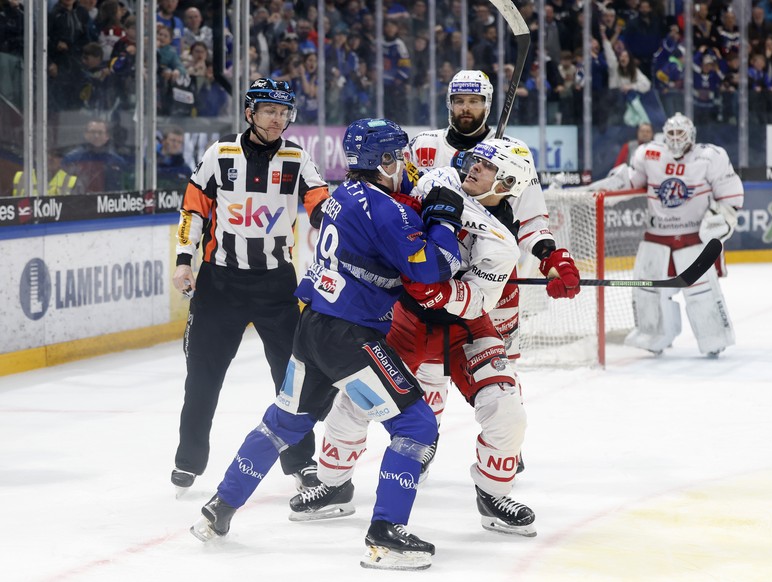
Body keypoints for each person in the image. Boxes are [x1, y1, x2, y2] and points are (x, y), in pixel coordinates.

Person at [191, 118, 465, 572]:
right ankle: (385, 535)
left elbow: (386, 228)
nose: (405, 164)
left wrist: (420, 206)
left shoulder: (343, 195)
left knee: (283, 423)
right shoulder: (386, 210)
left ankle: (220, 507)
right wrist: (445, 215)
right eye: (398, 156)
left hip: (313, 326)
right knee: (417, 425)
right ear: (383, 159)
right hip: (350, 336)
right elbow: (433, 267)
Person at [288, 139, 540, 538]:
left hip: (465, 329)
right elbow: (390, 202)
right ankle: (334, 485)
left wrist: (440, 291)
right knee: (355, 400)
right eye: (476, 159)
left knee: (506, 408)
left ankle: (493, 495)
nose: (474, 166)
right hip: (407, 319)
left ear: (507, 183)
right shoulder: (439, 179)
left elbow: (478, 301)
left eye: (487, 166)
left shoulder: (502, 243)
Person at [401, 70, 581, 473]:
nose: (466, 109)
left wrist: (551, 258)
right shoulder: (424, 146)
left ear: (488, 104)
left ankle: (506, 444)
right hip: (436, 276)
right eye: (459, 101)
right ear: (449, 103)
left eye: (475, 101)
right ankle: (422, 442)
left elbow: (531, 219)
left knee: (502, 365)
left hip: (492, 281)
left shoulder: (513, 153)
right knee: (430, 371)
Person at [170, 78, 329, 496]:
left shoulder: (297, 158)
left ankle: (302, 462)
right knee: (202, 376)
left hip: (277, 286)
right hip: (219, 284)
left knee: (292, 378)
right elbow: (193, 210)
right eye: (269, 111)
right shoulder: (219, 154)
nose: (277, 119)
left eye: (284, 112)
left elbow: (320, 207)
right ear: (249, 113)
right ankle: (189, 460)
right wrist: (184, 260)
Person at [583, 113, 744, 358]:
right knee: (647, 290)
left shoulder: (711, 156)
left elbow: (730, 195)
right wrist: (606, 186)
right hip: (657, 236)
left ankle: (713, 337)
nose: (676, 138)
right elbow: (631, 180)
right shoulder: (649, 154)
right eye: (671, 133)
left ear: (691, 134)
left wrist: (722, 218)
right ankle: (653, 335)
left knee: (701, 292)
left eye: (680, 133)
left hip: (693, 239)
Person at [61, 118, 125, 193]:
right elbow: (61, 190)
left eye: (100, 132)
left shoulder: (117, 161)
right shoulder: (71, 159)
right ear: (85, 134)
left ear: (107, 136)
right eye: (92, 132)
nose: (96, 136)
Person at [13, 148, 81, 197]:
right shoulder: (21, 178)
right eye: (46, 153)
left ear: (61, 160)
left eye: (56, 155)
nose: (50, 158)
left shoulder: (71, 181)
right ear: (36, 157)